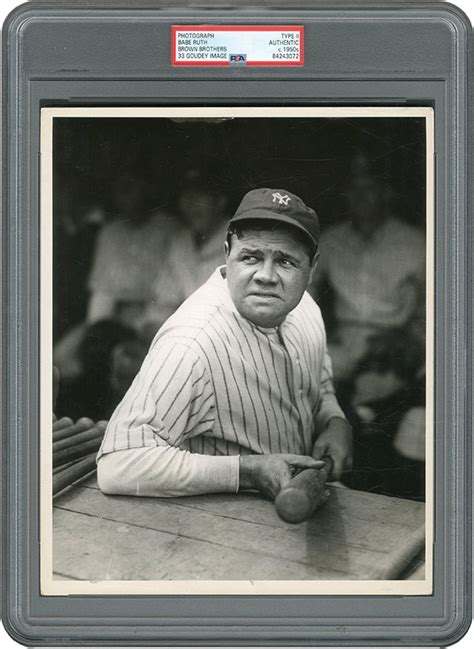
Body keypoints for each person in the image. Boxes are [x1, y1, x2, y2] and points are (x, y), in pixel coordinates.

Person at [97, 188, 353, 500]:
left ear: (311, 269)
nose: (266, 276)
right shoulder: (191, 343)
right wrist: (246, 471)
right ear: (227, 253)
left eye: (285, 261)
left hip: (298, 499)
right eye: (251, 257)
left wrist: (334, 421)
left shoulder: (305, 307)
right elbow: (118, 464)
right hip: (224, 522)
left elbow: (320, 383)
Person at [310, 169, 425, 382]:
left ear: (385, 193)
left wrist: (413, 340)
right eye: (354, 189)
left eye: (369, 188)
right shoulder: (331, 240)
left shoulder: (415, 242)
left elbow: (433, 306)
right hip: (344, 344)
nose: (361, 196)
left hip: (395, 344)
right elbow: (306, 288)